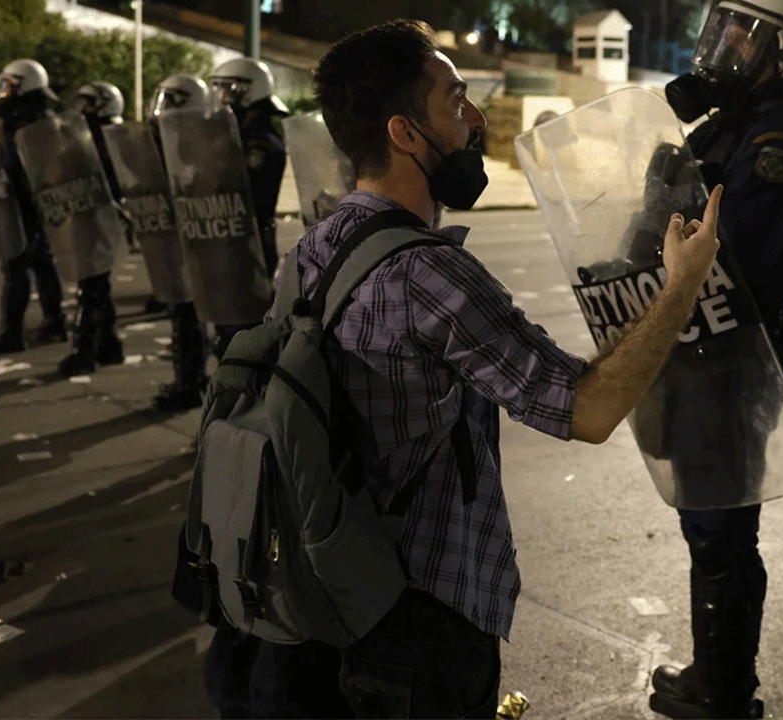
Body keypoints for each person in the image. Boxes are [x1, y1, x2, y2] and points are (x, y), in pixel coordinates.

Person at [202, 19, 727, 720]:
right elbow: (587, 409)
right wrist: (679, 288)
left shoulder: (315, 248)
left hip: (332, 596)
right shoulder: (430, 275)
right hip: (421, 624)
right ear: (405, 134)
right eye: (454, 100)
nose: (474, 119)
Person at [648, 1, 783, 718]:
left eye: (741, 35)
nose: (721, 46)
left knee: (723, 529)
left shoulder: (778, 142)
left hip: (739, 347)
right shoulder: (734, 125)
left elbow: (736, 254)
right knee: (706, 522)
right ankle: (713, 673)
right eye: (719, 29)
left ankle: (727, 693)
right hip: (708, 342)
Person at [0, 58, 67, 354]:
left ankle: (13, 333)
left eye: (10, 85)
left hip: (28, 198)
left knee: (18, 262)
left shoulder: (32, 118)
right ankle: (54, 321)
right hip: (25, 197)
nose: (5, 91)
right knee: (40, 260)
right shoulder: (24, 115)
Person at [207, 58, 289, 358]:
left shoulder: (262, 145)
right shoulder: (235, 137)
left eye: (228, 90)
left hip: (248, 243)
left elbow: (245, 197)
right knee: (226, 326)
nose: (223, 98)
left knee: (243, 333)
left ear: (248, 92)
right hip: (229, 240)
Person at [147, 74, 212, 412]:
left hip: (205, 238)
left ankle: (197, 383)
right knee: (182, 310)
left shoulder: (203, 140)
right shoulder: (162, 136)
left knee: (209, 318)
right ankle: (188, 378)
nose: (164, 107)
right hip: (178, 235)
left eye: (171, 99)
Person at [56, 80, 126, 377]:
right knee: (96, 282)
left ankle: (83, 352)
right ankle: (109, 346)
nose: (82, 109)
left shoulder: (110, 136)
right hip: (89, 215)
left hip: (104, 216)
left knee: (92, 285)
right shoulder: (88, 135)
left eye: (89, 103)